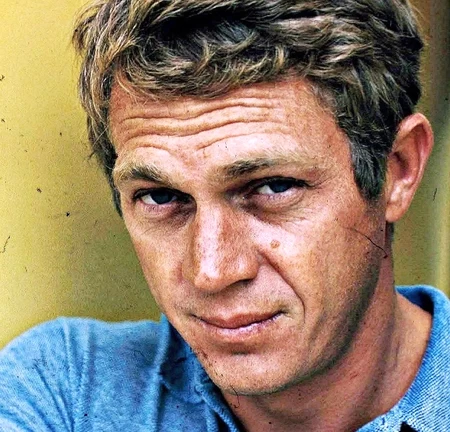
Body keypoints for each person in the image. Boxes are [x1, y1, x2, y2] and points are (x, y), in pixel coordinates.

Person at [0, 0, 447, 430]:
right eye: (161, 197)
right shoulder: (64, 391)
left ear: (398, 170)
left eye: (273, 187)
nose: (211, 272)